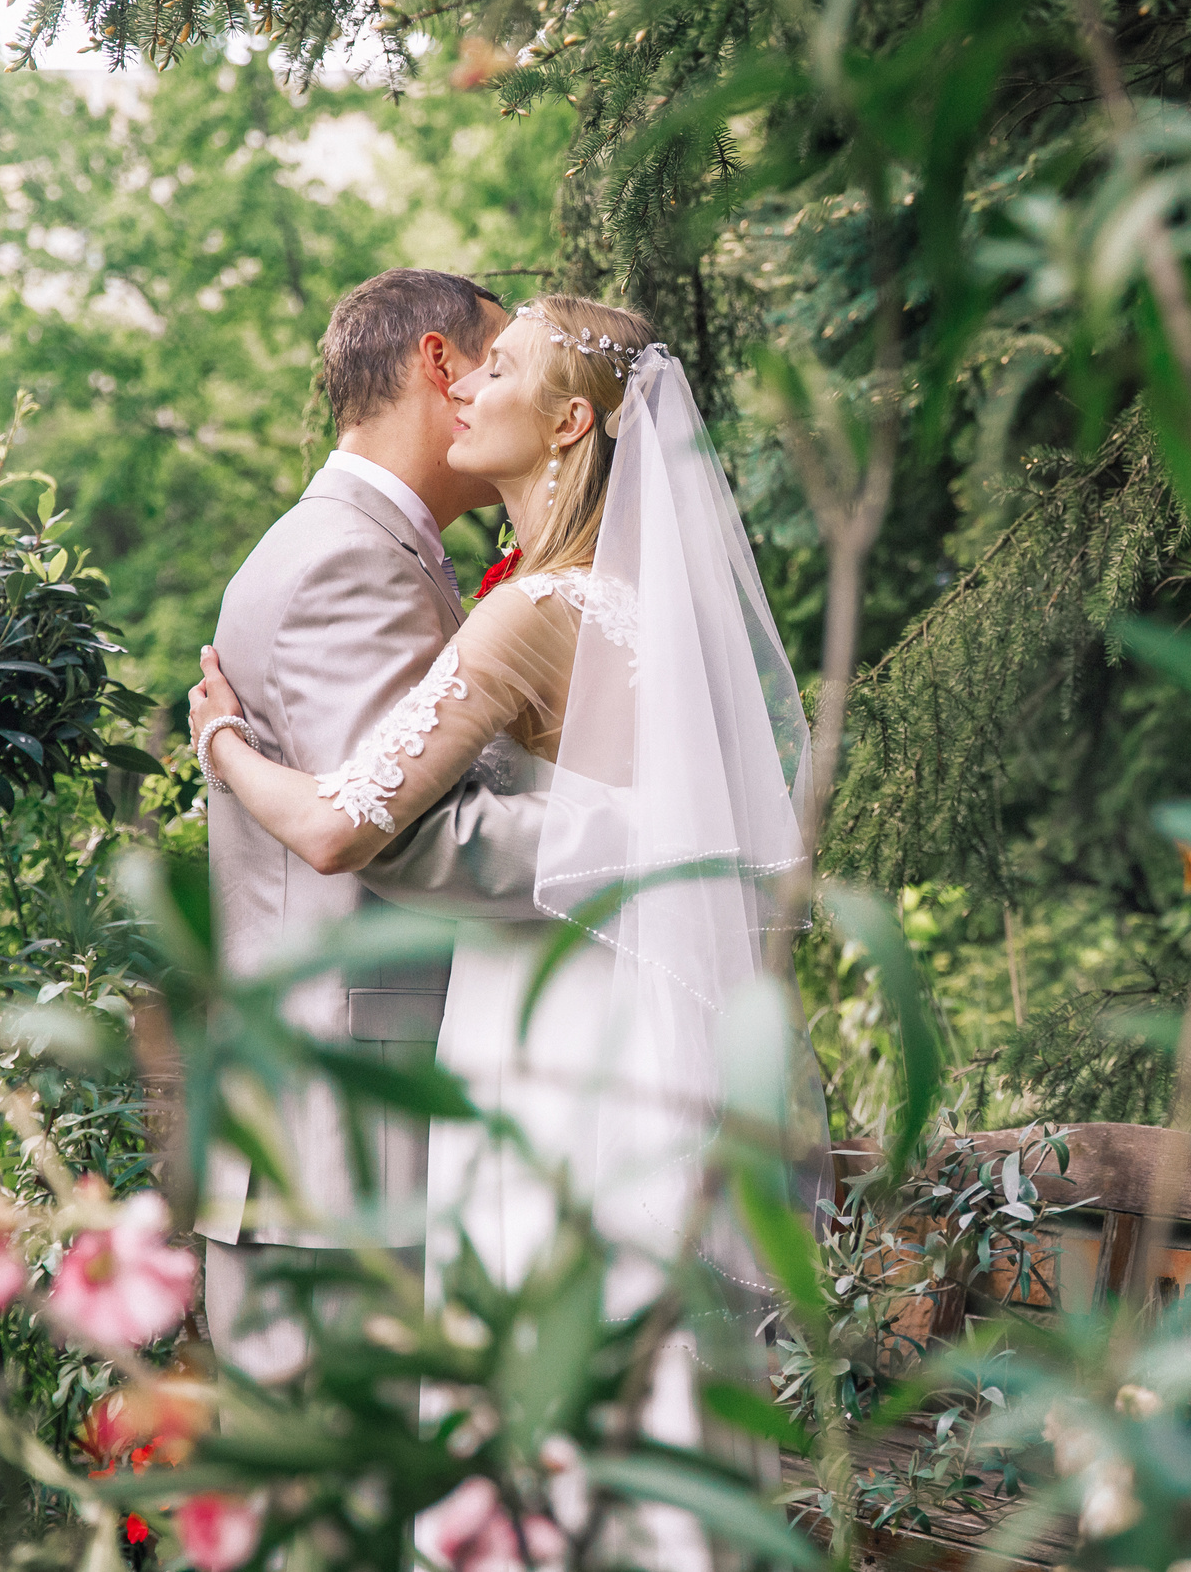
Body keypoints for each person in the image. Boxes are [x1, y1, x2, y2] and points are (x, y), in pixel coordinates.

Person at [190, 296, 810, 1570]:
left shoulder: (528, 609)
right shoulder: (625, 601)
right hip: (622, 1040)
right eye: (472, 361)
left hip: (549, 1048)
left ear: (570, 420)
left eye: (505, 368)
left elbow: (348, 830)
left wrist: (216, 744)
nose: (474, 388)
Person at [196, 268, 556, 1380]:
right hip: (348, 1145)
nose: (513, 394)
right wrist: (635, 837)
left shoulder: (365, 549)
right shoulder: (349, 560)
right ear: (439, 366)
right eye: (498, 363)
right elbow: (401, 835)